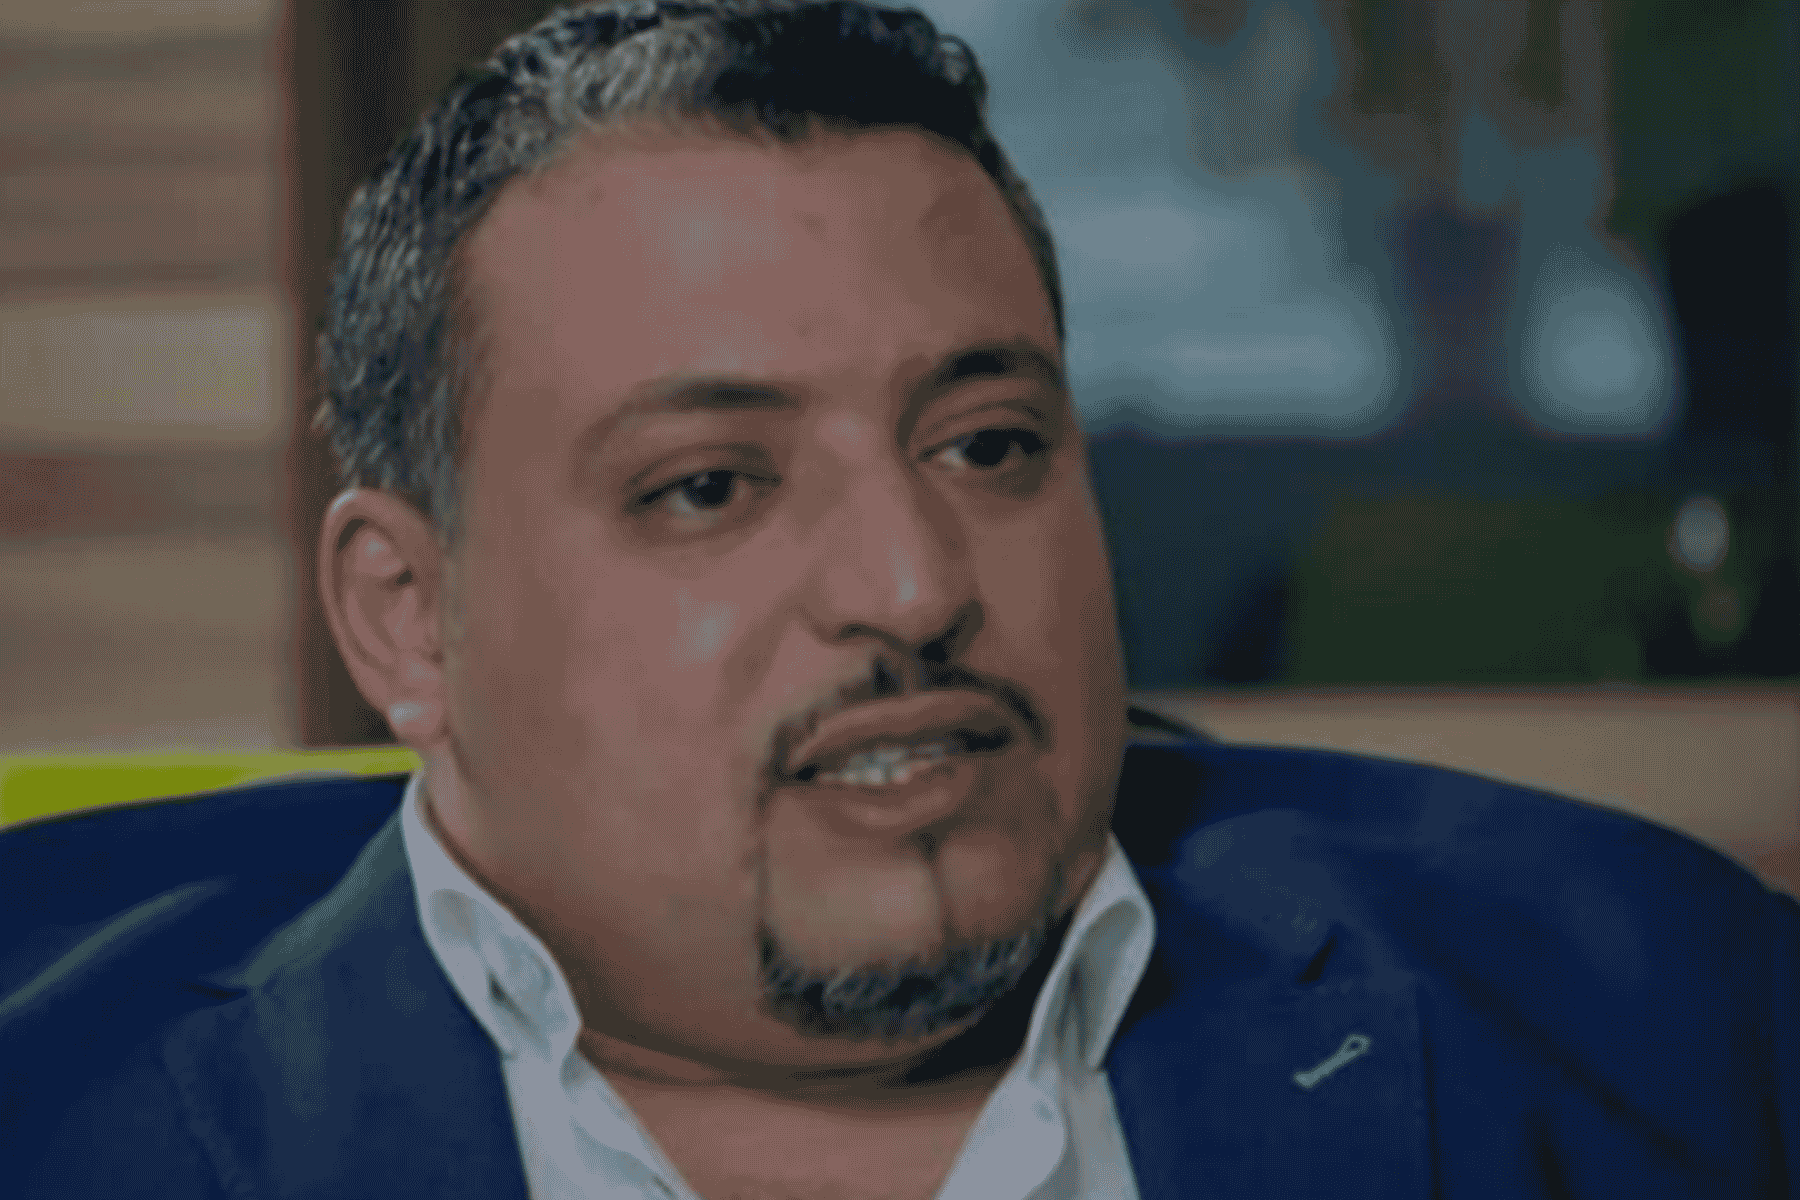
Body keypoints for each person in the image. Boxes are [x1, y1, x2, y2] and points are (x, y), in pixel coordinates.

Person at [2, 2, 1795, 1197]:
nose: (916, 586)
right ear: (408, 617)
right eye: (711, 485)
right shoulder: (57, 1115)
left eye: (990, 447)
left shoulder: (1682, 1031)